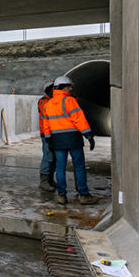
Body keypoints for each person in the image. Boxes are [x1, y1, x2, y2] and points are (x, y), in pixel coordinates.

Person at [41, 76, 99, 205]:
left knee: (60, 168)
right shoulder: (69, 101)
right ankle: (83, 195)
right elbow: (78, 119)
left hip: (57, 140)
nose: (71, 88)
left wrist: (48, 138)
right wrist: (88, 135)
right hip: (72, 138)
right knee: (79, 166)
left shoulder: (48, 104)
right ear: (63, 87)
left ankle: (62, 195)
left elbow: (46, 123)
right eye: (69, 86)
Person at [37, 84, 57, 191]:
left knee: (53, 157)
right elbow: (49, 112)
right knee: (47, 156)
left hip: (53, 132)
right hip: (46, 133)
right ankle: (44, 181)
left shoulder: (51, 100)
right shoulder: (43, 101)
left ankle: (50, 179)